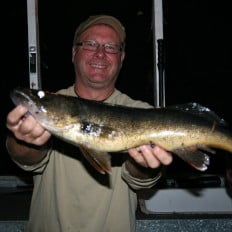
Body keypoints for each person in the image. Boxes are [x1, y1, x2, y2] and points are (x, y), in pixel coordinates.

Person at [6, 15, 173, 232]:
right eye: (90, 44)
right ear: (74, 53)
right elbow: (23, 156)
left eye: (111, 47)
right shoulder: (53, 105)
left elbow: (140, 179)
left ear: (121, 58)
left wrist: (142, 165)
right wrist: (23, 139)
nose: (100, 53)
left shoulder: (142, 113)